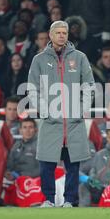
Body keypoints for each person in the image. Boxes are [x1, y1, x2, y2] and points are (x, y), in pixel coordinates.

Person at [27, 21, 95, 207]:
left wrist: (82, 109)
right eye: (58, 32)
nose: (62, 35)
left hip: (73, 121)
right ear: (50, 35)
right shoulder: (39, 60)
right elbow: (32, 88)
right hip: (51, 121)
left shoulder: (80, 57)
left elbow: (89, 85)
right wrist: (44, 110)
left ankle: (69, 201)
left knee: (73, 164)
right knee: (47, 164)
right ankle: (48, 199)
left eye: (64, 32)